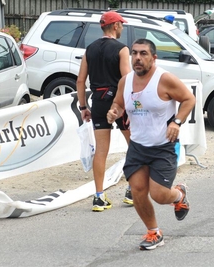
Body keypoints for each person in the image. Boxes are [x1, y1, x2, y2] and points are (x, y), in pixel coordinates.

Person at [107, 39, 196, 250]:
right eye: (135, 53)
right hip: (137, 146)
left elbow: (188, 99)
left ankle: (179, 195)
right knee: (137, 190)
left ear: (153, 58)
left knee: (159, 195)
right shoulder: (125, 81)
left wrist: (177, 121)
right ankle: (153, 232)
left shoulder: (164, 79)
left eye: (143, 54)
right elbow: (119, 103)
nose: (138, 58)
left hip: (163, 146)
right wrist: (114, 112)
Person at [77, 11, 133, 211]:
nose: (123, 28)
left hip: (98, 101)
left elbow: (81, 80)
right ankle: (132, 191)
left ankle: (99, 196)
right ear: (116, 25)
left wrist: (84, 106)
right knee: (133, 145)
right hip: (118, 102)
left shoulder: (89, 49)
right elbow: (126, 79)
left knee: (100, 151)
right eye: (122, 25)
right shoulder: (122, 49)